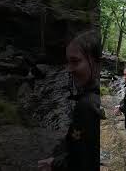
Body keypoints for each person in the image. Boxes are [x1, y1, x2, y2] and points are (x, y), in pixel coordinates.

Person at [38, 30, 101, 171]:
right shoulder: (95, 98)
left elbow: (82, 163)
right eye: (68, 62)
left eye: (75, 61)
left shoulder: (87, 106)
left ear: (97, 63)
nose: (69, 69)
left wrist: (55, 164)